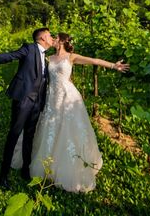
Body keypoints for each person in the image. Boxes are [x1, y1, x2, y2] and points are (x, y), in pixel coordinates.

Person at [11, 32, 129, 193]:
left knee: (68, 128)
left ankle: (67, 166)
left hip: (68, 96)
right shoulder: (49, 58)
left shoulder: (71, 57)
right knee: (48, 126)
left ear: (61, 41)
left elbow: (94, 61)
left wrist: (114, 65)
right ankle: (45, 163)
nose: (52, 39)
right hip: (52, 96)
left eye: (55, 37)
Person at [0, 27, 56, 189]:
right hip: (24, 99)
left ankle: (25, 170)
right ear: (42, 38)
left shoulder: (46, 56)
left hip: (37, 102)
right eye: (49, 35)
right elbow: (11, 56)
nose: (52, 38)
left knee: (30, 136)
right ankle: (3, 175)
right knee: (14, 134)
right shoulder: (29, 48)